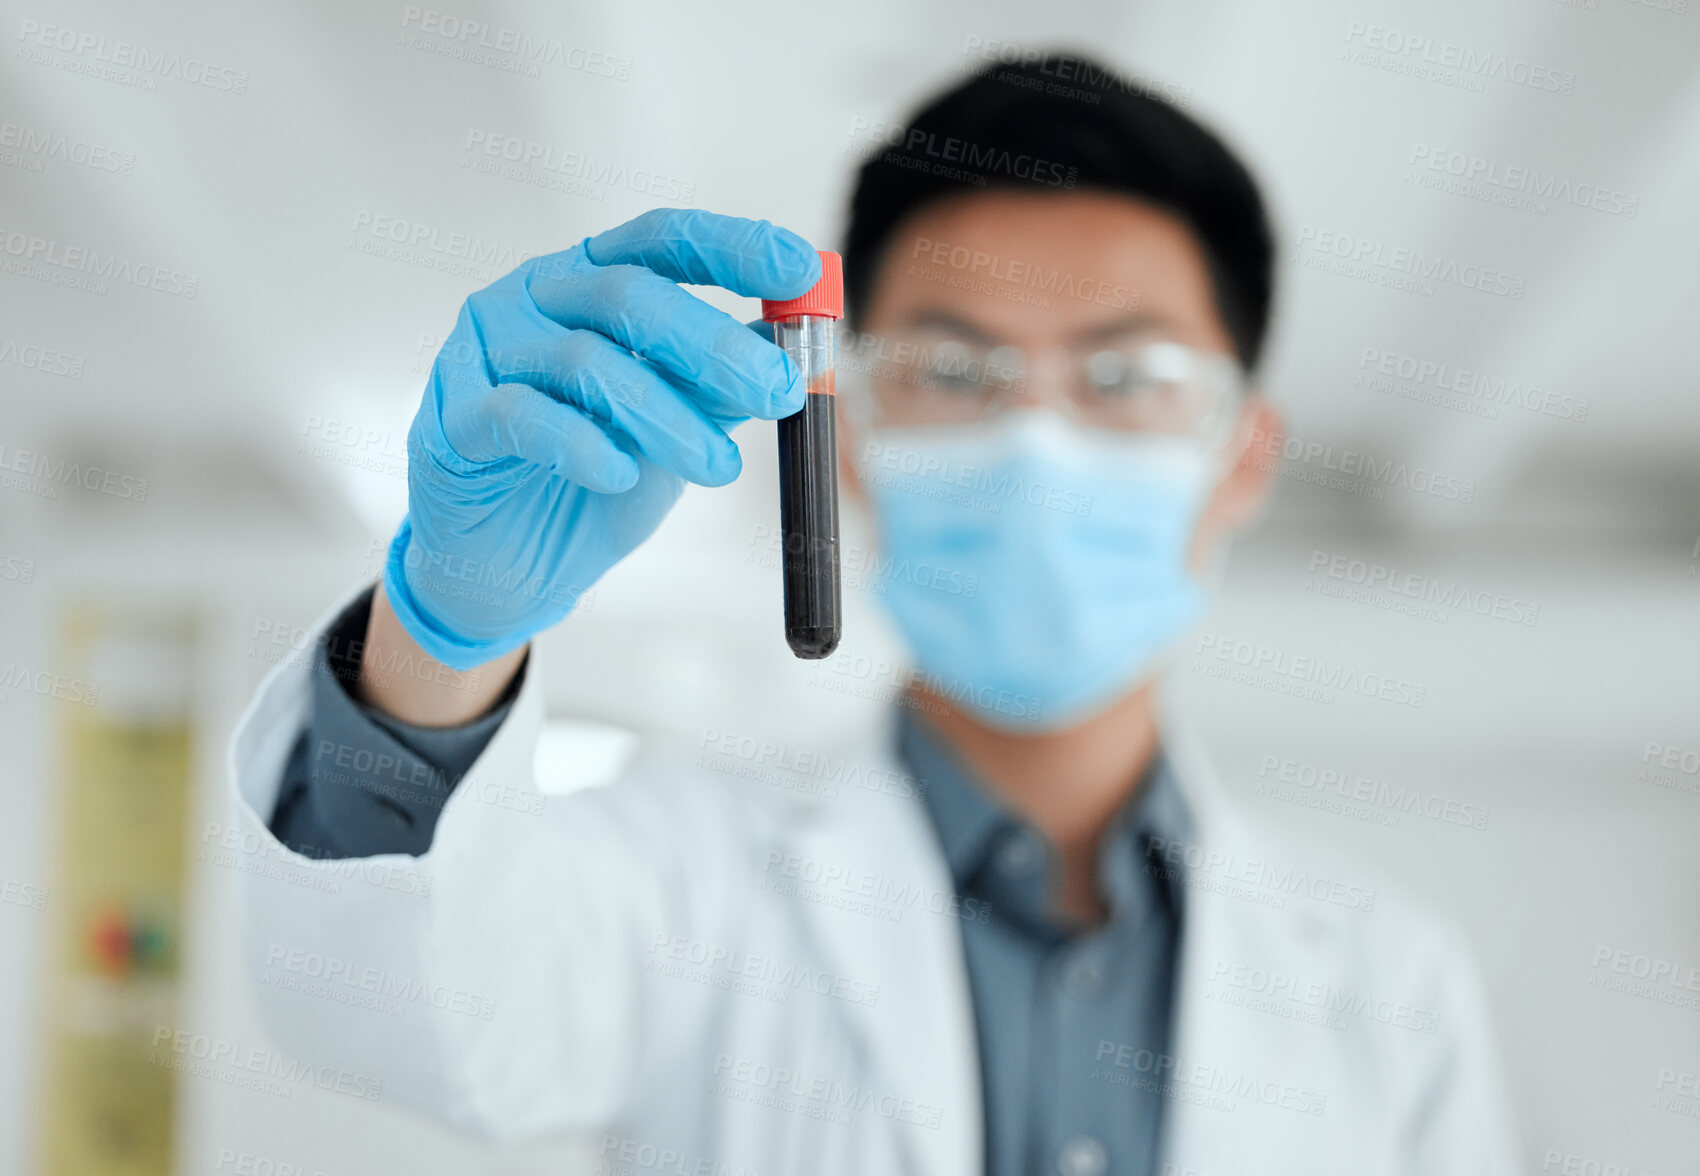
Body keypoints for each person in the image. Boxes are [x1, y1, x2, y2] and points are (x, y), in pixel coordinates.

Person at [229, 55, 1520, 1175]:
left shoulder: (1392, 987)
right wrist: (441, 636)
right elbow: (403, 1017)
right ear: (849, 441)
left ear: (1242, 455)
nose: (1036, 439)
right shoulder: (683, 886)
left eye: (1125, 374)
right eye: (953, 369)